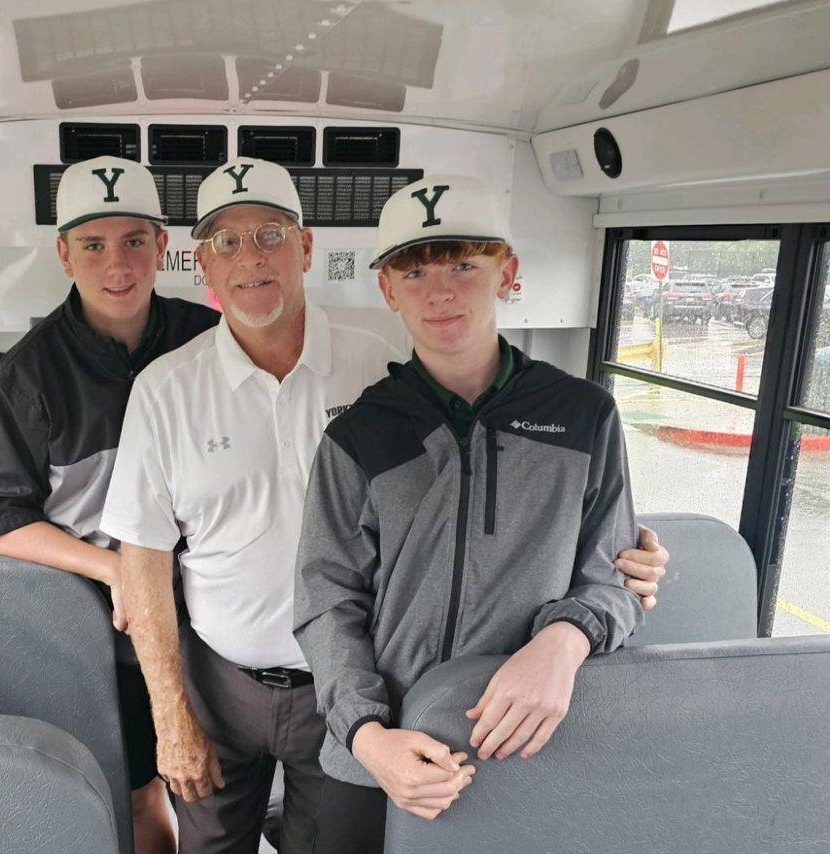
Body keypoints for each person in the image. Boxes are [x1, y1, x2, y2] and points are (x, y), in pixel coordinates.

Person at [101, 158, 668, 854]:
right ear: (202, 263)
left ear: (306, 248)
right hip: (240, 684)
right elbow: (177, 563)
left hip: (380, 697)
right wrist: (172, 716)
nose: (440, 295)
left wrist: (590, 613)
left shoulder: (387, 365)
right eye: (227, 241)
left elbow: (602, 558)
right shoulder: (178, 393)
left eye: (272, 234)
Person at [293, 174, 646, 853]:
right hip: (382, 755)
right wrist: (368, 735)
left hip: (532, 741)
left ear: (507, 273)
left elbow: (617, 571)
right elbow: (324, 600)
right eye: (416, 271)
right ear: (388, 290)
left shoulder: (584, 416)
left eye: (463, 264)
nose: (441, 290)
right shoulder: (358, 434)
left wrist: (563, 642)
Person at [0, 155, 220, 854]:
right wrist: (116, 571)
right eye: (94, 245)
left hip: (218, 612)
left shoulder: (211, 339)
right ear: (63, 253)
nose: (118, 265)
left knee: (220, 786)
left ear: (163, 247)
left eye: (135, 240)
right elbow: (1, 520)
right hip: (108, 628)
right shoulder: (29, 372)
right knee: (142, 793)